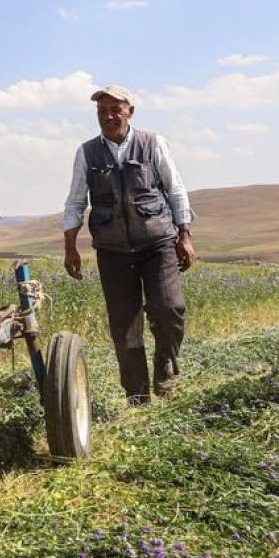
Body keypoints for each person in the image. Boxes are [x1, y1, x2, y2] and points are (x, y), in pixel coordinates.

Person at [61, 85, 196, 404]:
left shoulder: (152, 144)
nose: (108, 116)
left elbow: (175, 190)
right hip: (112, 249)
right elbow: (76, 200)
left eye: (115, 110)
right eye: (102, 111)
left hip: (158, 242)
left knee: (169, 309)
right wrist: (70, 246)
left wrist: (185, 234)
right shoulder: (87, 152)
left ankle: (165, 367)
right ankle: (137, 395)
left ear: (130, 112)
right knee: (124, 326)